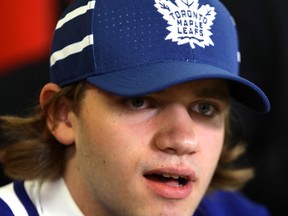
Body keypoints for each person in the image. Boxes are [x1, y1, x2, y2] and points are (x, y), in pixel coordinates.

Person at [0, 0, 271, 215]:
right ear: (63, 116)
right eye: (139, 101)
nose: (183, 139)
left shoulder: (234, 211)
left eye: (204, 108)